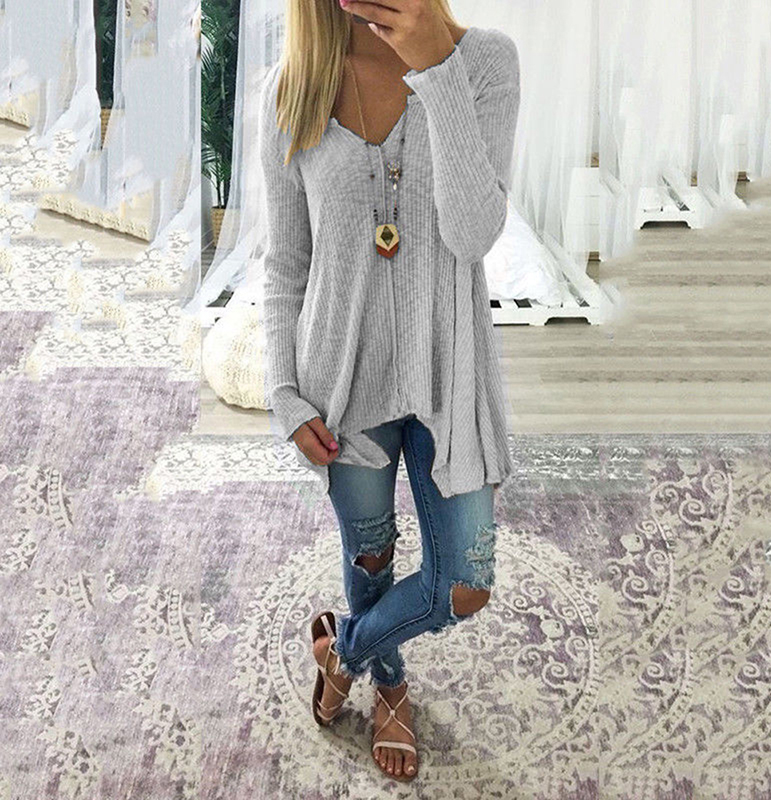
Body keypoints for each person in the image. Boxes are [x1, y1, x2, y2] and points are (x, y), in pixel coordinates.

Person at [259, 0, 520, 782]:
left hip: (449, 379)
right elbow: (285, 265)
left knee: (464, 585)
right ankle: (391, 685)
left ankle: (343, 652)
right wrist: (284, 393)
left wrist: (436, 68)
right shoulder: (293, 88)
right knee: (370, 559)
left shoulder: (485, 64)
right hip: (341, 389)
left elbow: (474, 234)